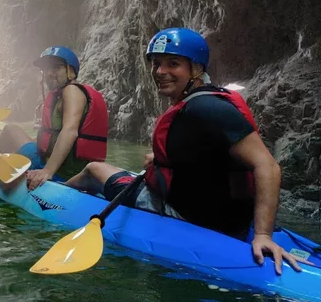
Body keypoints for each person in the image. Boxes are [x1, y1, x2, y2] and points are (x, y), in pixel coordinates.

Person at [63, 28, 311, 274]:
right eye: (156, 63)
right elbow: (205, 158)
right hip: (222, 214)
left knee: (94, 169)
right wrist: (160, 160)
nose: (160, 71)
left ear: (196, 69)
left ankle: (56, 193)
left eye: (173, 63)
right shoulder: (205, 104)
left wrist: (263, 235)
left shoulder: (205, 108)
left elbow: (267, 166)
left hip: (187, 215)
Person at [0, 46, 109, 189]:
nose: (49, 73)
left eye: (56, 68)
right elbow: (52, 137)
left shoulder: (72, 91)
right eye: (46, 69)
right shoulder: (60, 95)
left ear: (70, 71)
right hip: (56, 165)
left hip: (61, 173)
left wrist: (47, 171)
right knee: (14, 133)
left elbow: (70, 131)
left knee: (9, 130)